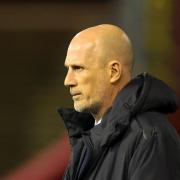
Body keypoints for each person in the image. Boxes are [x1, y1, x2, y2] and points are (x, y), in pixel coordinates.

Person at [58, 24, 180, 180]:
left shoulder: (151, 135)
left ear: (114, 72)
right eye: (68, 69)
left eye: (78, 68)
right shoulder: (88, 138)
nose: (68, 81)